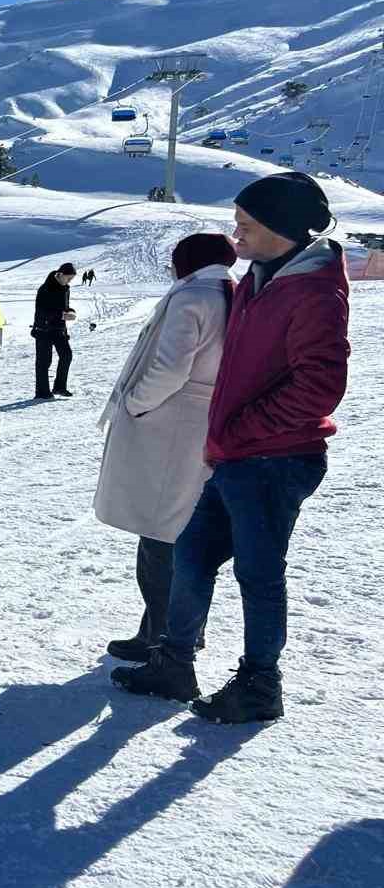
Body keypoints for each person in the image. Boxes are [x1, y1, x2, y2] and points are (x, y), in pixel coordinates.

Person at [115, 172, 350, 722]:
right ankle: (176, 662)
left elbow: (320, 387)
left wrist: (243, 430)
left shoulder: (314, 291)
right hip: (235, 456)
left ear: (282, 229)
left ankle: (260, 685)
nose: (235, 235)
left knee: (258, 573)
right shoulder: (259, 278)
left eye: (246, 225)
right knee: (192, 557)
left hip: (275, 458)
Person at [95, 233, 236, 662]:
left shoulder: (192, 295)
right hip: (198, 426)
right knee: (185, 534)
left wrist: (136, 403)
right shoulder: (228, 292)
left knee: (159, 538)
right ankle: (184, 630)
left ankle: (161, 637)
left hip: (168, 427)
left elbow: (170, 367)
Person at [32, 263, 78, 398]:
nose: (69, 281)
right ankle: (42, 392)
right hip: (43, 329)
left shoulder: (66, 289)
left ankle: (59, 387)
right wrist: (62, 315)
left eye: (71, 279)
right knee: (44, 361)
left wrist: (71, 312)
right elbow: (42, 311)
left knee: (66, 355)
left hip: (59, 329)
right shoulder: (45, 289)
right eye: (68, 278)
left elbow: (65, 307)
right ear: (60, 274)